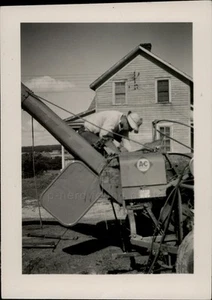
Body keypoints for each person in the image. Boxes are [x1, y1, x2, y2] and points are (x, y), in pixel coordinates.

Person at [78, 110, 143, 153]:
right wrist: (120, 148)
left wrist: (129, 154)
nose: (130, 131)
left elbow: (126, 142)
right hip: (86, 132)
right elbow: (104, 136)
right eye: (130, 128)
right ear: (127, 122)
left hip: (98, 135)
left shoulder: (124, 126)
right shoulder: (113, 118)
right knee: (101, 152)